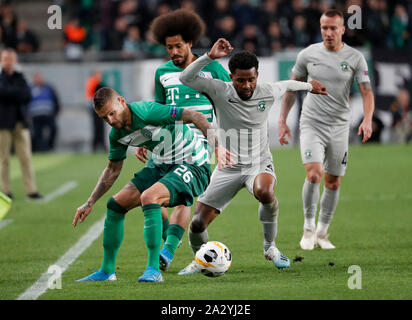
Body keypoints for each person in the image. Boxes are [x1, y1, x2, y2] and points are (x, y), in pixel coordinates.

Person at [177, 38, 327, 275]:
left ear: (257, 76)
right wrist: (209, 57)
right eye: (240, 80)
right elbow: (185, 78)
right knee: (197, 224)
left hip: (258, 163)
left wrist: (310, 87)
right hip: (227, 167)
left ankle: (270, 247)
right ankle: (201, 260)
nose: (247, 85)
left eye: (251, 79)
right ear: (231, 77)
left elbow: (287, 84)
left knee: (265, 192)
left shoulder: (266, 91)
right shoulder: (218, 90)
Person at [73, 87, 231, 283]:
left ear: (122, 101)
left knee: (149, 197)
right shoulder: (116, 134)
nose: (111, 121)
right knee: (115, 205)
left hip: (193, 163)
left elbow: (194, 115)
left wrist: (216, 146)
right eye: (105, 118)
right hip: (162, 163)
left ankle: (154, 270)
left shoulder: (146, 111)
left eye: (112, 113)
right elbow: (112, 171)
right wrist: (89, 202)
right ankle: (106, 272)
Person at [135, 9, 231, 273]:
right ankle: (170, 240)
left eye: (178, 45)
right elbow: (158, 108)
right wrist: (146, 139)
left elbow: (228, 101)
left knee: (180, 199)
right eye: (169, 47)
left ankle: (166, 252)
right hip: (166, 142)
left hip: (197, 145)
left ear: (190, 42)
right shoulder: (162, 73)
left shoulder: (211, 68)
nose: (174, 51)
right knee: (152, 199)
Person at [278, 9, 375, 250]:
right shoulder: (308, 54)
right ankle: (308, 228)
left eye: (333, 28)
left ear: (343, 29)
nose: (328, 32)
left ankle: (322, 232)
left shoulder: (355, 58)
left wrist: (367, 119)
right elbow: (291, 88)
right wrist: (282, 120)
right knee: (313, 173)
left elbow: (366, 92)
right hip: (311, 122)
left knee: (333, 182)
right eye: (324, 28)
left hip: (339, 126)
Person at [0, 48, 42, 200]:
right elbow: (4, 92)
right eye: (5, 59)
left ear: (15, 60)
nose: (8, 61)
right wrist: (15, 93)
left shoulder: (20, 76)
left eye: (11, 59)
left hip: (20, 122)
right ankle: (5, 191)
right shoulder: (3, 77)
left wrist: (10, 93)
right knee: (3, 159)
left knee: (26, 157)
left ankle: (31, 190)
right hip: (3, 123)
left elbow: (27, 95)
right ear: (1, 60)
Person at [28, 72, 60, 152]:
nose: (38, 79)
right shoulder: (30, 88)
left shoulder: (48, 88)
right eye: (36, 78)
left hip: (48, 114)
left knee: (53, 129)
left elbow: (55, 100)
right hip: (35, 115)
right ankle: (41, 149)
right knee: (38, 133)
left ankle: (50, 146)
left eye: (39, 77)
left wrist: (55, 112)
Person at [85, 69, 106, 152]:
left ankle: (96, 145)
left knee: (97, 127)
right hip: (96, 107)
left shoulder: (91, 82)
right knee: (99, 127)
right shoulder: (94, 82)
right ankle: (99, 145)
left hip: (95, 106)